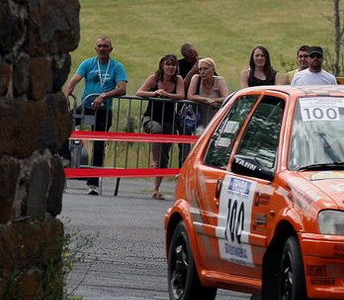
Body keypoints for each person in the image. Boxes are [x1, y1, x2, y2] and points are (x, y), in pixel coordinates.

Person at [63, 35, 128, 195]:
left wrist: (103, 96)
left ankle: (93, 182)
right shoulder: (88, 63)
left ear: (111, 49)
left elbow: (122, 89)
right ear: (95, 48)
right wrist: (65, 98)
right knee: (63, 125)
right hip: (86, 106)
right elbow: (73, 81)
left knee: (98, 145)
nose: (102, 49)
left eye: (106, 46)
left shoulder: (116, 67)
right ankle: (66, 157)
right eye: (100, 46)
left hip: (104, 110)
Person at [136, 54, 185, 200]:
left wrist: (168, 95)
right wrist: (154, 93)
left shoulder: (178, 80)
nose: (170, 67)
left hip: (169, 120)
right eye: (167, 64)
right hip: (151, 118)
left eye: (173, 65)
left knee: (165, 157)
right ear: (162, 66)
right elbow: (139, 92)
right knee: (157, 130)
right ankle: (154, 159)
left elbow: (181, 95)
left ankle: (156, 189)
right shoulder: (155, 78)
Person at [187, 57, 230, 135]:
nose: (202, 72)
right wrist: (206, 100)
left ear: (213, 70)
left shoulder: (220, 81)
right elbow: (190, 95)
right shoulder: (196, 78)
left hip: (217, 121)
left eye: (205, 69)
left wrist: (214, 101)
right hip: (200, 121)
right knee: (199, 136)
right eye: (200, 69)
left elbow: (226, 97)